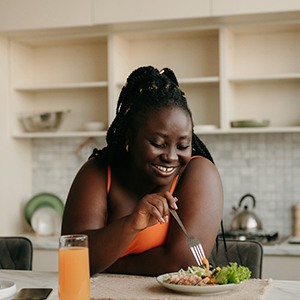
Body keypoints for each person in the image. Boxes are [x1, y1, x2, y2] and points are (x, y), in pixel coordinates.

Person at [61, 66, 223, 276]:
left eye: (183, 146)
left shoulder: (199, 173)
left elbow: (183, 265)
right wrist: (130, 225)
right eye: (157, 143)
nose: (172, 157)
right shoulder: (99, 171)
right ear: (129, 138)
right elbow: (74, 257)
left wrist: (111, 264)